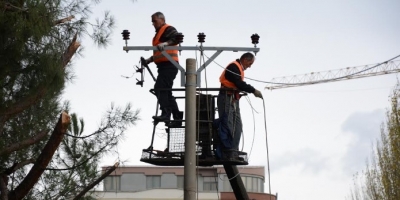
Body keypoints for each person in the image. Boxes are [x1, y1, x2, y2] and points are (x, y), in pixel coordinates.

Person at [217, 52, 263, 157]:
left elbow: (238, 84)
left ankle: (232, 149)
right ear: (245, 60)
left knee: (237, 126)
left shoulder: (238, 68)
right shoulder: (234, 67)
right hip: (226, 97)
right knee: (228, 125)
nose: (249, 66)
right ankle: (226, 151)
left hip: (232, 99)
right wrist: (253, 90)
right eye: (250, 63)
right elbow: (239, 83)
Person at [145, 12, 183, 127]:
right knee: (166, 92)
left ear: (162, 19)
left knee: (159, 88)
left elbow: (177, 38)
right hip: (164, 67)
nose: (153, 24)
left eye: (154, 21)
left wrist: (166, 43)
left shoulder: (168, 29)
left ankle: (166, 113)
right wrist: (149, 60)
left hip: (169, 66)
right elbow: (160, 53)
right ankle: (177, 116)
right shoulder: (158, 35)